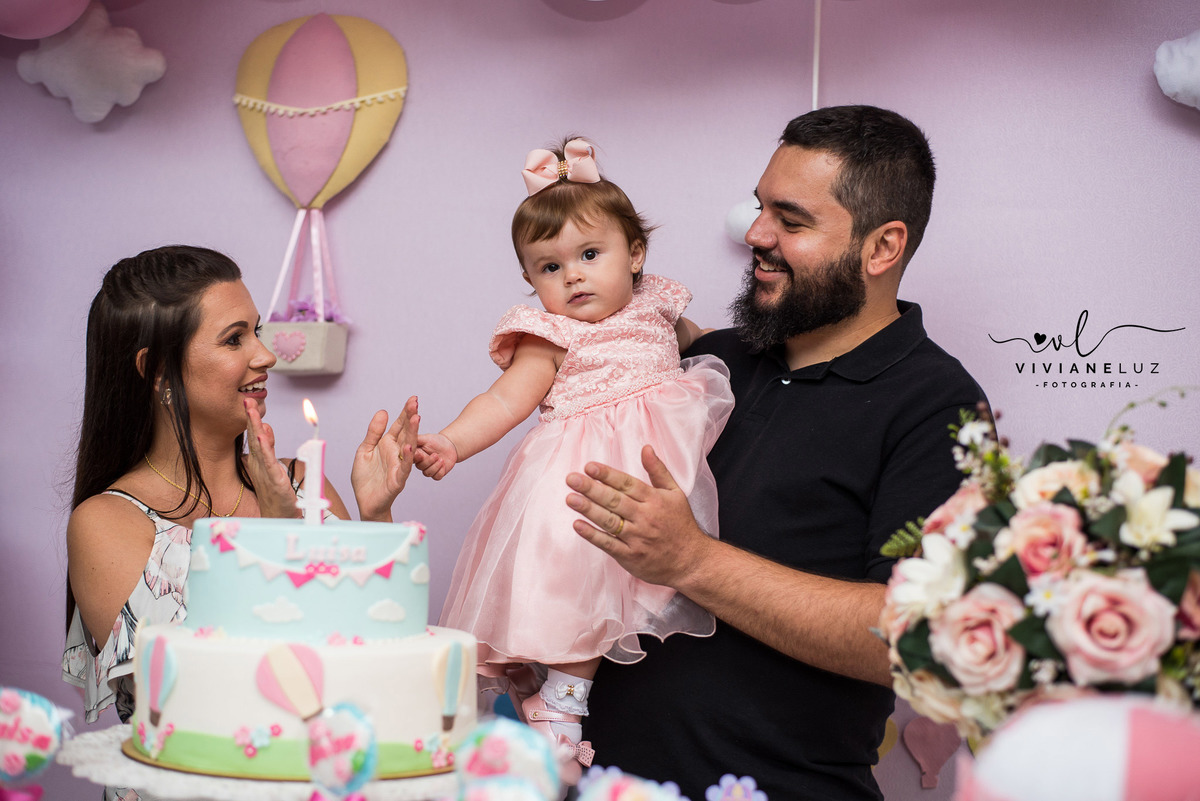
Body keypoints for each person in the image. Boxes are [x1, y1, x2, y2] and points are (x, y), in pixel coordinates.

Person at [565, 106, 989, 800]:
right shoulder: (707, 361)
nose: (755, 235)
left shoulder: (938, 407)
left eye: (790, 222)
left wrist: (691, 559)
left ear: (882, 248)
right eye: (760, 208)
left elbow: (916, 638)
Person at [414, 138, 734, 768]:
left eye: (591, 255)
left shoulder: (660, 307)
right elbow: (504, 401)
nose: (573, 276)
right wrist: (452, 440)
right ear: (531, 280)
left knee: (633, 585)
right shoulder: (552, 335)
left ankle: (537, 691)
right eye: (549, 268)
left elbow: (715, 348)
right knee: (580, 593)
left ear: (635, 254)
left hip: (653, 474)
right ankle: (562, 706)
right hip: (580, 477)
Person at [62, 245, 418, 800]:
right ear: (156, 370)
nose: (266, 355)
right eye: (235, 339)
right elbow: (199, 699)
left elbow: (373, 660)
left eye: (257, 331)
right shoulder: (107, 523)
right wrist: (277, 540)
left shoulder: (306, 485)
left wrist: (375, 521)